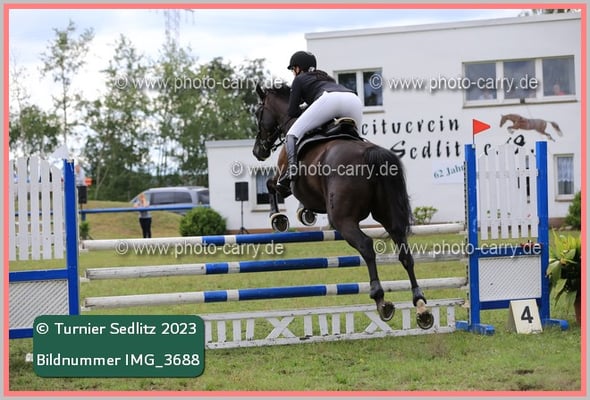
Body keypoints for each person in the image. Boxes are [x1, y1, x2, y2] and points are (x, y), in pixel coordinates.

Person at [276, 50, 363, 193]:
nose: (293, 73)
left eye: (293, 69)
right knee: (358, 140)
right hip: (354, 100)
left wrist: (303, 109)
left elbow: (292, 112)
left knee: (291, 134)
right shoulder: (328, 78)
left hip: (330, 100)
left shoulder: (299, 79)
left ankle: (292, 170)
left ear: (298, 68)